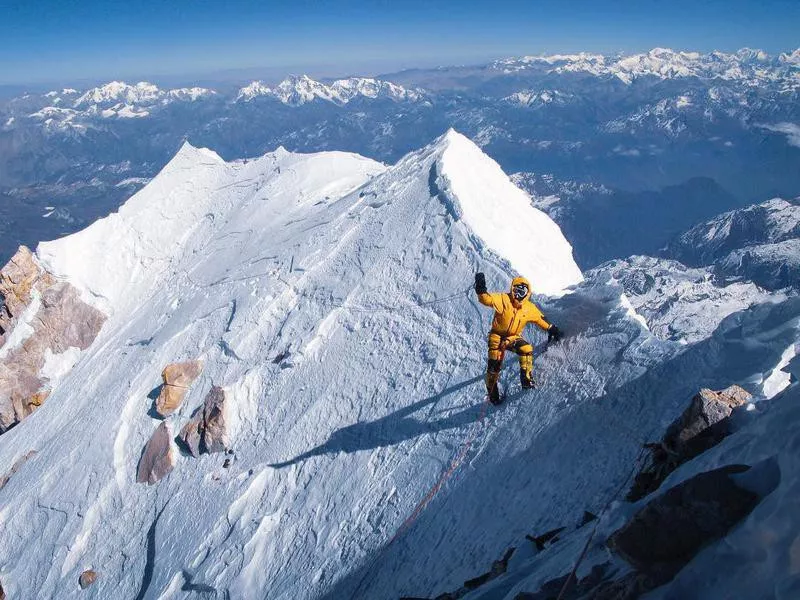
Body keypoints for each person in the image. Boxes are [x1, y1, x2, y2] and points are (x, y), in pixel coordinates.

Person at [474, 272, 562, 404]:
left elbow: (539, 319)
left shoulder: (529, 308)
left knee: (526, 349)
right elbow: (487, 299)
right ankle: (494, 396)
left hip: (513, 337)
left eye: (521, 292)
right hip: (496, 336)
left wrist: (551, 328)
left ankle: (526, 380)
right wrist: (481, 289)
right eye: (515, 290)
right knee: (493, 368)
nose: (517, 294)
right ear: (512, 288)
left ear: (527, 293)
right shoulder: (504, 299)